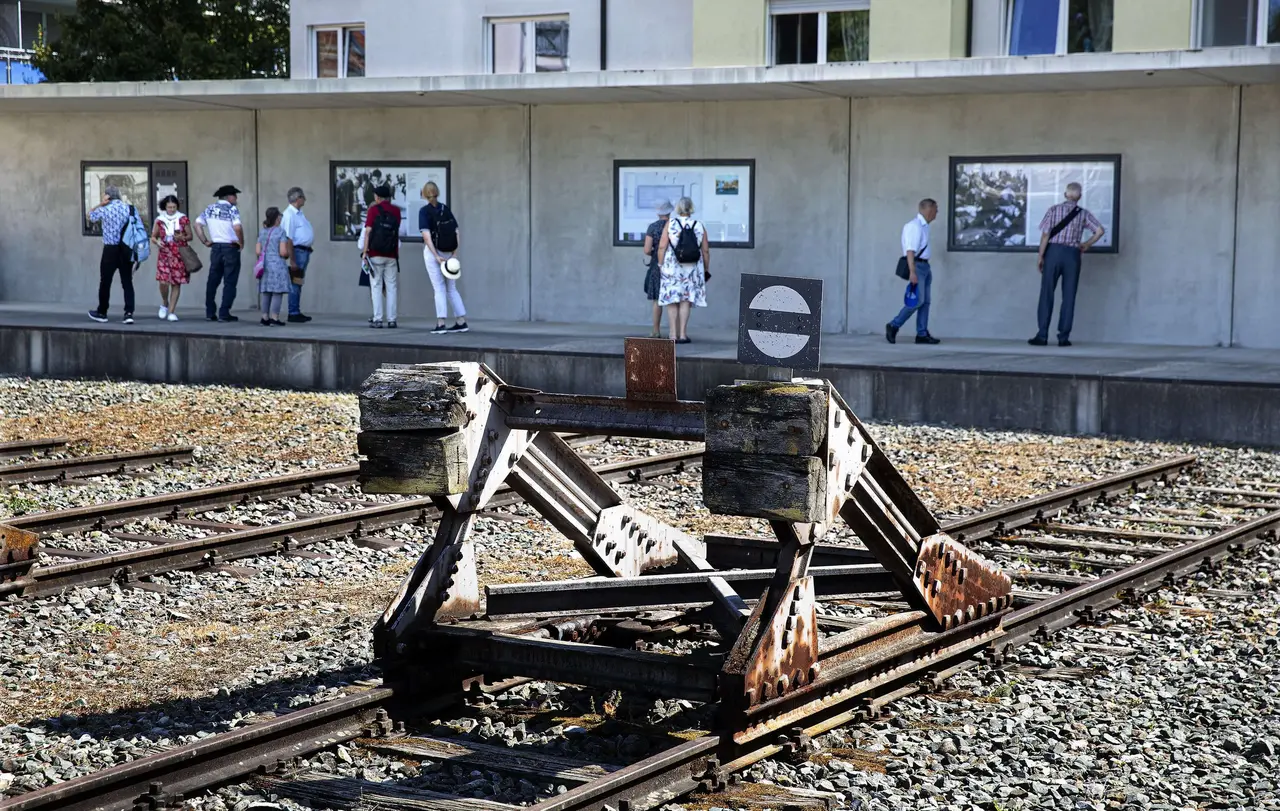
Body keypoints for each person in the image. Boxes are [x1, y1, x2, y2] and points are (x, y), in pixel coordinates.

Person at [1029, 182, 1106, 347]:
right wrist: (1086, 244)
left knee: (1047, 293)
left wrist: (1041, 256)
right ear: (1079, 197)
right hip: (1072, 255)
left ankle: (1042, 335)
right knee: (1069, 296)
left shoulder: (1053, 210)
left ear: (1065, 195)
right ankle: (1063, 337)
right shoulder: (1083, 213)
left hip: (1053, 253)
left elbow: (1045, 235)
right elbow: (1100, 230)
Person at [885, 198, 941, 345]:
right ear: (928, 209)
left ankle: (922, 334)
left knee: (925, 302)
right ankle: (894, 325)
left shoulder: (924, 226)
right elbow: (910, 250)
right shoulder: (914, 227)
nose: (937, 212)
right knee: (917, 301)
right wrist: (912, 272)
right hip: (917, 266)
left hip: (925, 266)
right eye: (936, 209)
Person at [655, 196, 710, 345]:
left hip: (672, 267)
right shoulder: (699, 225)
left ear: (678, 209)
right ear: (691, 208)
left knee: (672, 300)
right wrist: (705, 268)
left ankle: (673, 334)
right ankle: (683, 335)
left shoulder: (670, 224)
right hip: (692, 268)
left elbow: (662, 247)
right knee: (686, 300)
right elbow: (705, 250)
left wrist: (660, 265)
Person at [418, 181, 468, 334]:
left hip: (435, 253)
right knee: (452, 288)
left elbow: (426, 236)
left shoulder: (424, 211)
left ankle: (441, 324)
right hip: (449, 252)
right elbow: (457, 231)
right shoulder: (445, 209)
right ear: (437, 192)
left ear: (424, 194)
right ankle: (461, 321)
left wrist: (435, 256)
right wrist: (454, 253)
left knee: (439, 287)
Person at [86, 185, 137, 324]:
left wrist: (99, 204)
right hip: (126, 249)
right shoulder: (129, 208)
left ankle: (102, 312)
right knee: (127, 282)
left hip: (110, 250)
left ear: (108, 196)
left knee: (105, 282)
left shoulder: (105, 209)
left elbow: (90, 216)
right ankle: (128, 313)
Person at [194, 185, 245, 323]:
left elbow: (197, 224)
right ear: (229, 197)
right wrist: (241, 242)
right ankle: (224, 312)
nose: (236, 198)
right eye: (235, 195)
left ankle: (210, 312)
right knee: (230, 281)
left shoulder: (209, 208)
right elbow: (237, 227)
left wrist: (205, 241)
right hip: (230, 247)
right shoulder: (232, 209)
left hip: (215, 248)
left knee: (213, 280)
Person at [362, 184, 400, 328]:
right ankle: (392, 319)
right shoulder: (396, 211)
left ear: (377, 197)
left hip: (375, 254)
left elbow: (368, 232)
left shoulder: (373, 210)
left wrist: (365, 252)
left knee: (376, 286)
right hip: (391, 254)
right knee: (391, 287)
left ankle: (378, 319)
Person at [150, 194, 192, 322]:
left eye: (174, 207)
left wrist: (182, 237)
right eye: (169, 207)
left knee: (176, 282)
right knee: (163, 282)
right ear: (165, 207)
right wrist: (157, 242)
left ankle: (172, 311)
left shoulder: (183, 219)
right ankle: (164, 302)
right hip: (164, 252)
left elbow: (190, 235)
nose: (172, 209)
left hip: (178, 252)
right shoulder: (160, 220)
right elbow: (153, 236)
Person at [280, 187, 315, 323]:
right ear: (297, 198)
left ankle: (296, 310)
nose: (304, 199)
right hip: (298, 251)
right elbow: (288, 238)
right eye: (303, 197)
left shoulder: (299, 213)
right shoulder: (289, 215)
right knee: (295, 281)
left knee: (299, 281)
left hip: (304, 250)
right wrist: (292, 260)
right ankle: (293, 311)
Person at [642, 199, 672, 338]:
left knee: (657, 300)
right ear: (670, 211)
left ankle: (656, 330)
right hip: (673, 264)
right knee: (674, 300)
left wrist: (655, 252)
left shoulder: (652, 227)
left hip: (657, 265)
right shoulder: (674, 226)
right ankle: (675, 332)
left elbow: (647, 249)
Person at [256, 207, 290, 326]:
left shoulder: (262, 231)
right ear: (277, 218)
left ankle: (264, 317)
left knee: (266, 291)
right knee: (277, 292)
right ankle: (274, 317)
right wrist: (287, 254)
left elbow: (258, 250)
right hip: (277, 264)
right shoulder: (280, 232)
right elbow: (283, 252)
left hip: (264, 264)